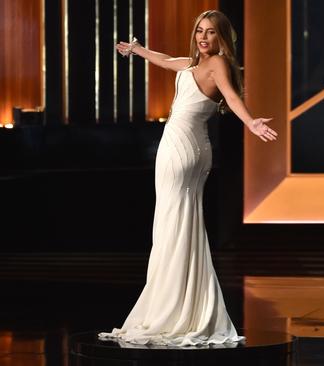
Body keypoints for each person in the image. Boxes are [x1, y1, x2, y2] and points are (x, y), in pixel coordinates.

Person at [99, 10, 277, 346]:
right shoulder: (195, 64)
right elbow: (165, 60)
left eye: (210, 32)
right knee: (181, 222)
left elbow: (232, 96)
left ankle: (171, 306)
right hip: (193, 148)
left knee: (171, 223)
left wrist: (251, 122)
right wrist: (137, 49)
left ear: (221, 36)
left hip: (180, 148)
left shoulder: (217, 64)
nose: (203, 37)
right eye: (199, 31)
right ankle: (182, 304)